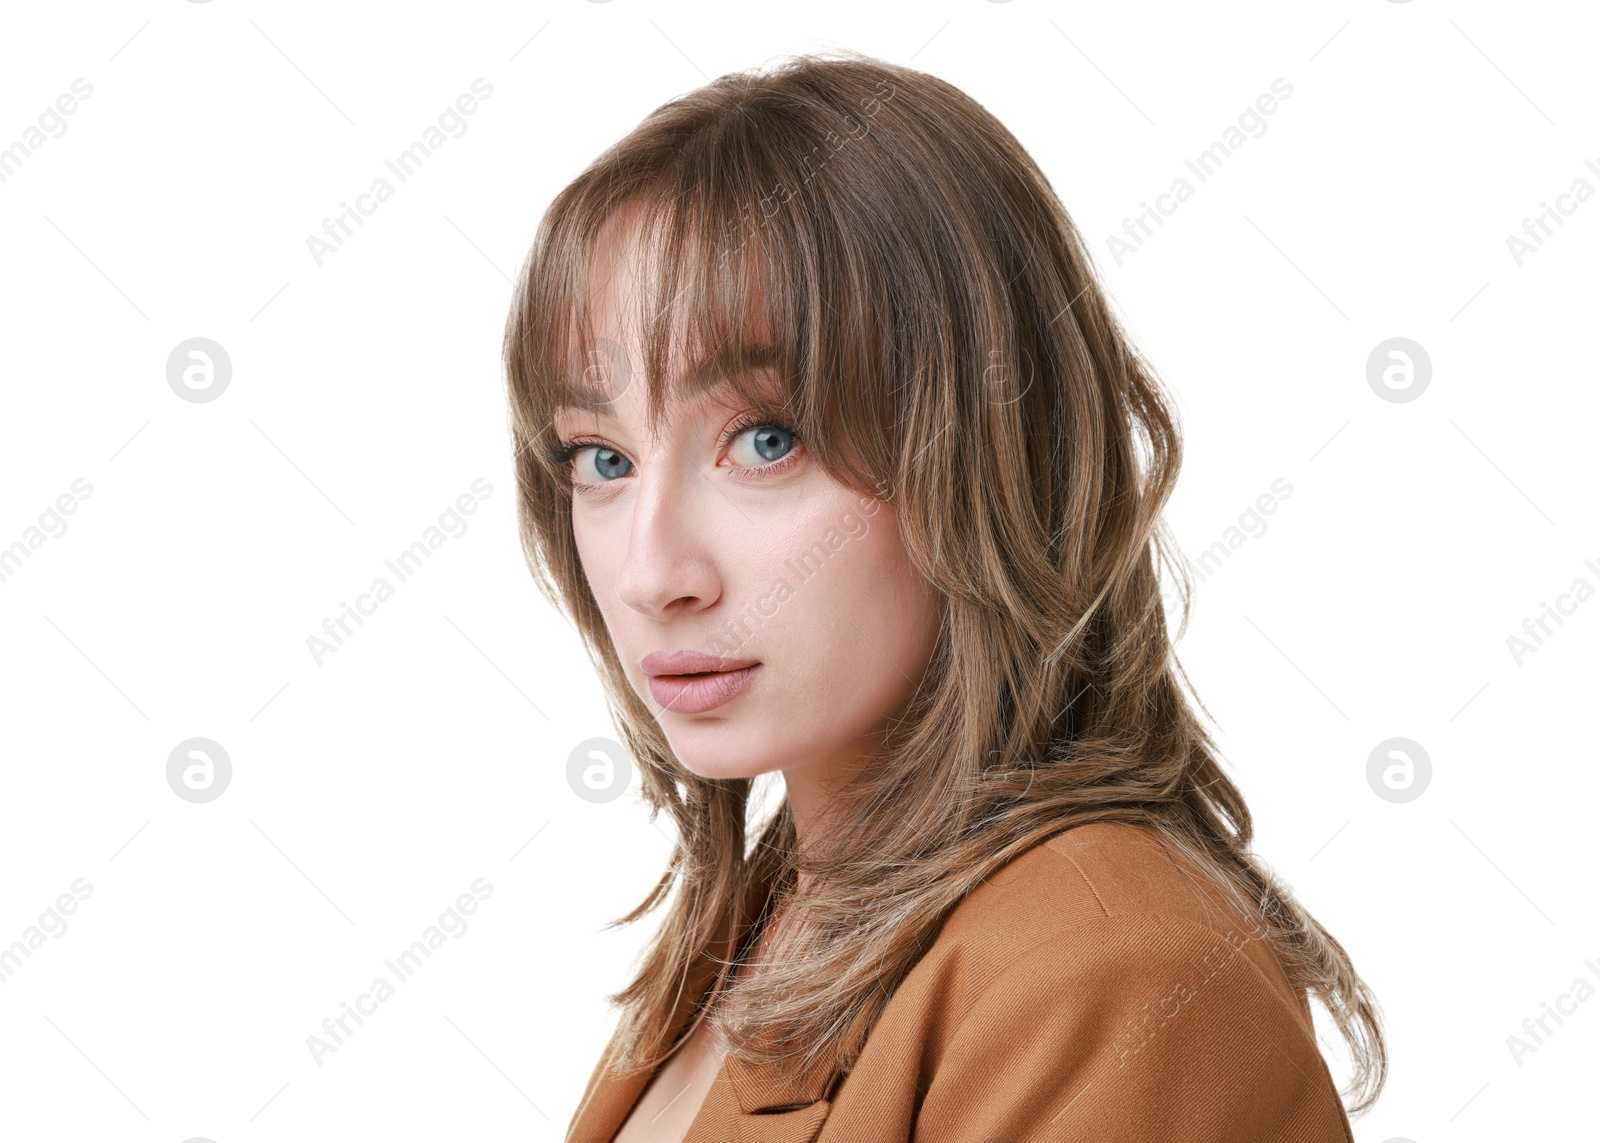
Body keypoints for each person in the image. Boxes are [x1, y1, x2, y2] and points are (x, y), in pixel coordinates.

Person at [502, 48, 1385, 1142]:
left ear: (988, 447)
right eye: (600, 457)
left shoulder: (1115, 976)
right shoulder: (771, 912)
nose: (649, 574)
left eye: (766, 440)